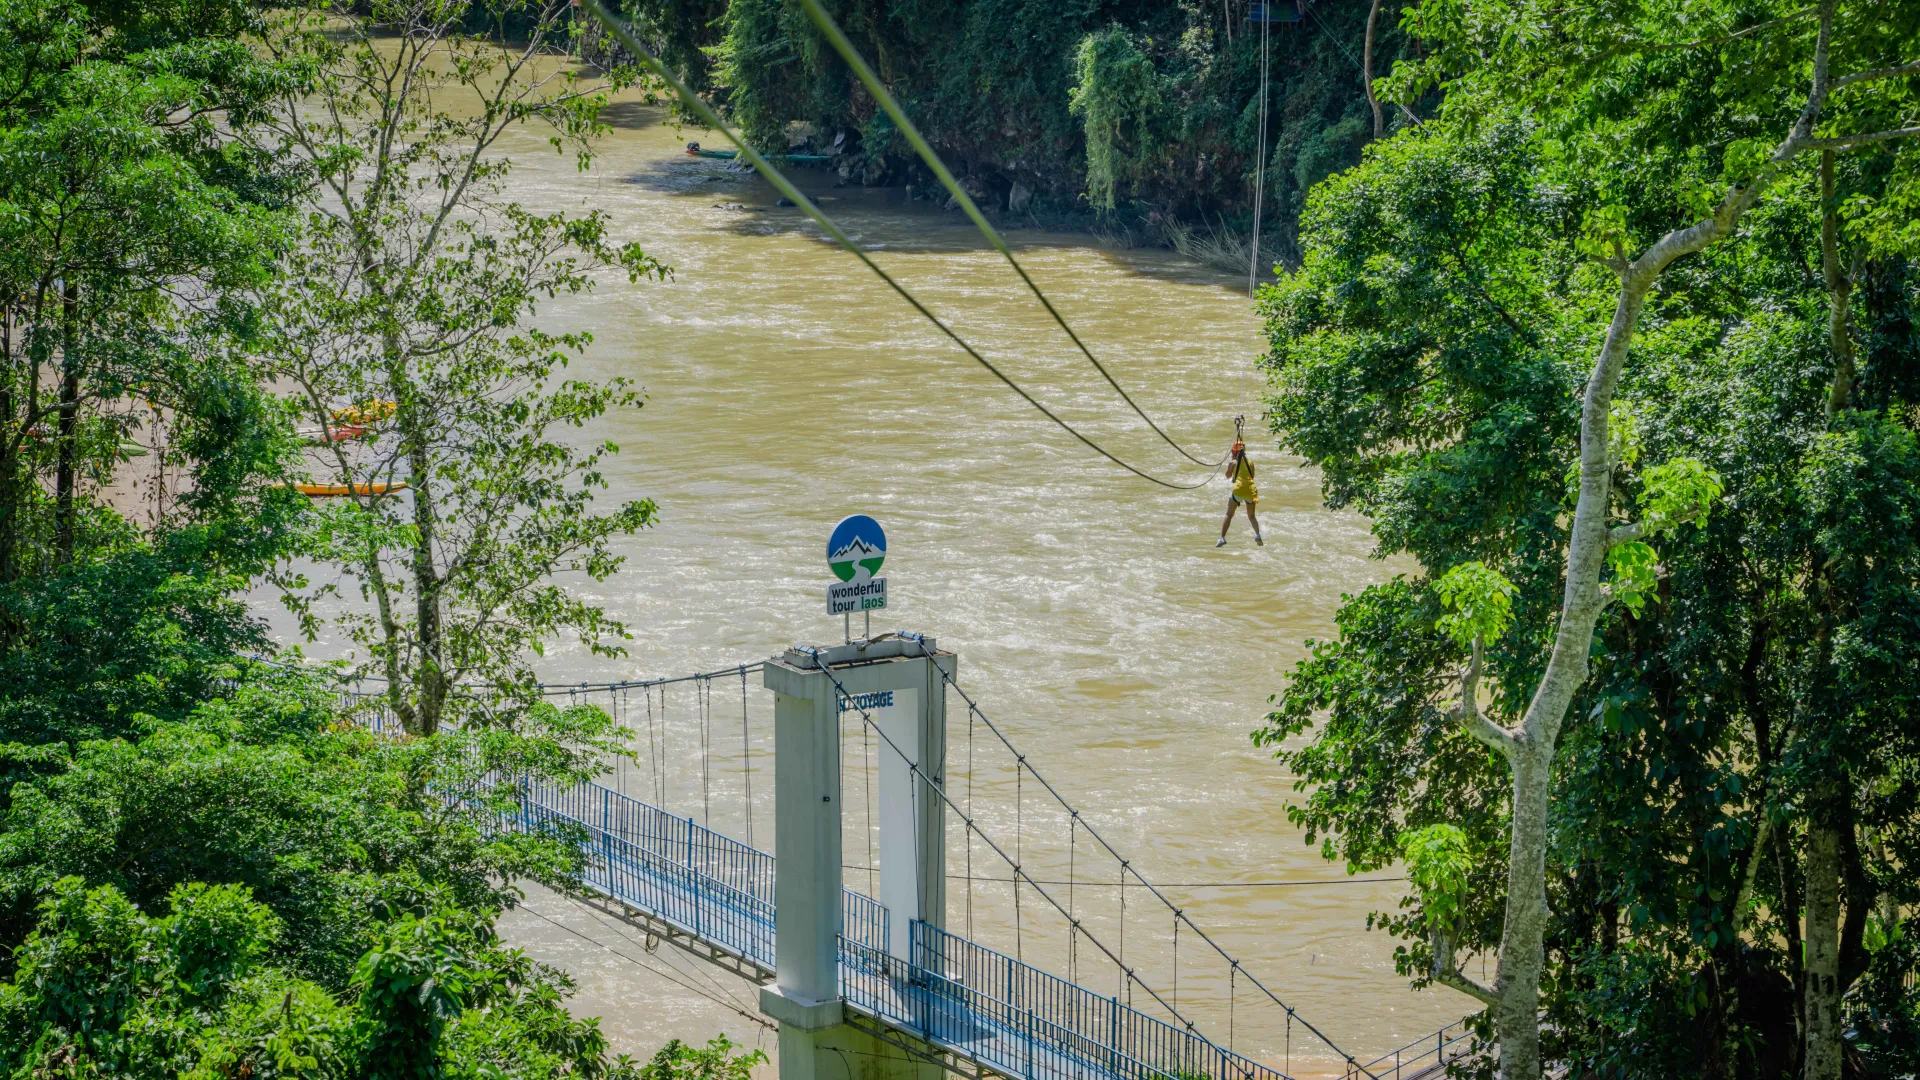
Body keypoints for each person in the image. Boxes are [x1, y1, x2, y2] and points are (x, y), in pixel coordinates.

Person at [1217, 441, 1262, 546]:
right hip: (1251, 489)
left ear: (1234, 451)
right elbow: (1252, 476)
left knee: (1229, 514)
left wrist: (1230, 470)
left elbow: (1228, 476)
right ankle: (1258, 535)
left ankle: (1222, 538)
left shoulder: (1233, 462)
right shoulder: (1250, 462)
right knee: (1251, 516)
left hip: (1238, 489)